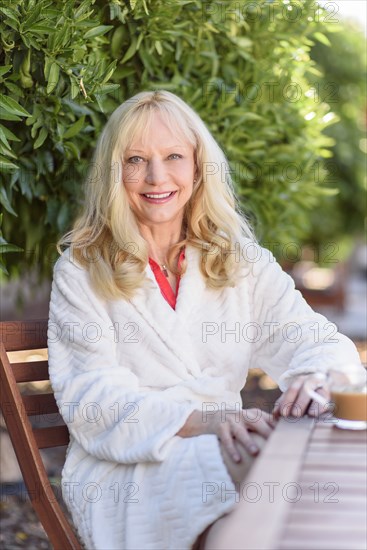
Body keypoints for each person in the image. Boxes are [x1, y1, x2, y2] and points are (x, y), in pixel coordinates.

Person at [48, 90, 362, 550]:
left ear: (198, 167)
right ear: (115, 173)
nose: (157, 177)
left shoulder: (238, 259)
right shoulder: (82, 269)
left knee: (306, 467)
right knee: (274, 471)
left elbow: (312, 339)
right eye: (137, 159)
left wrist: (318, 378)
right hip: (127, 467)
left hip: (224, 443)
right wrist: (202, 420)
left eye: (174, 156)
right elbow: (93, 399)